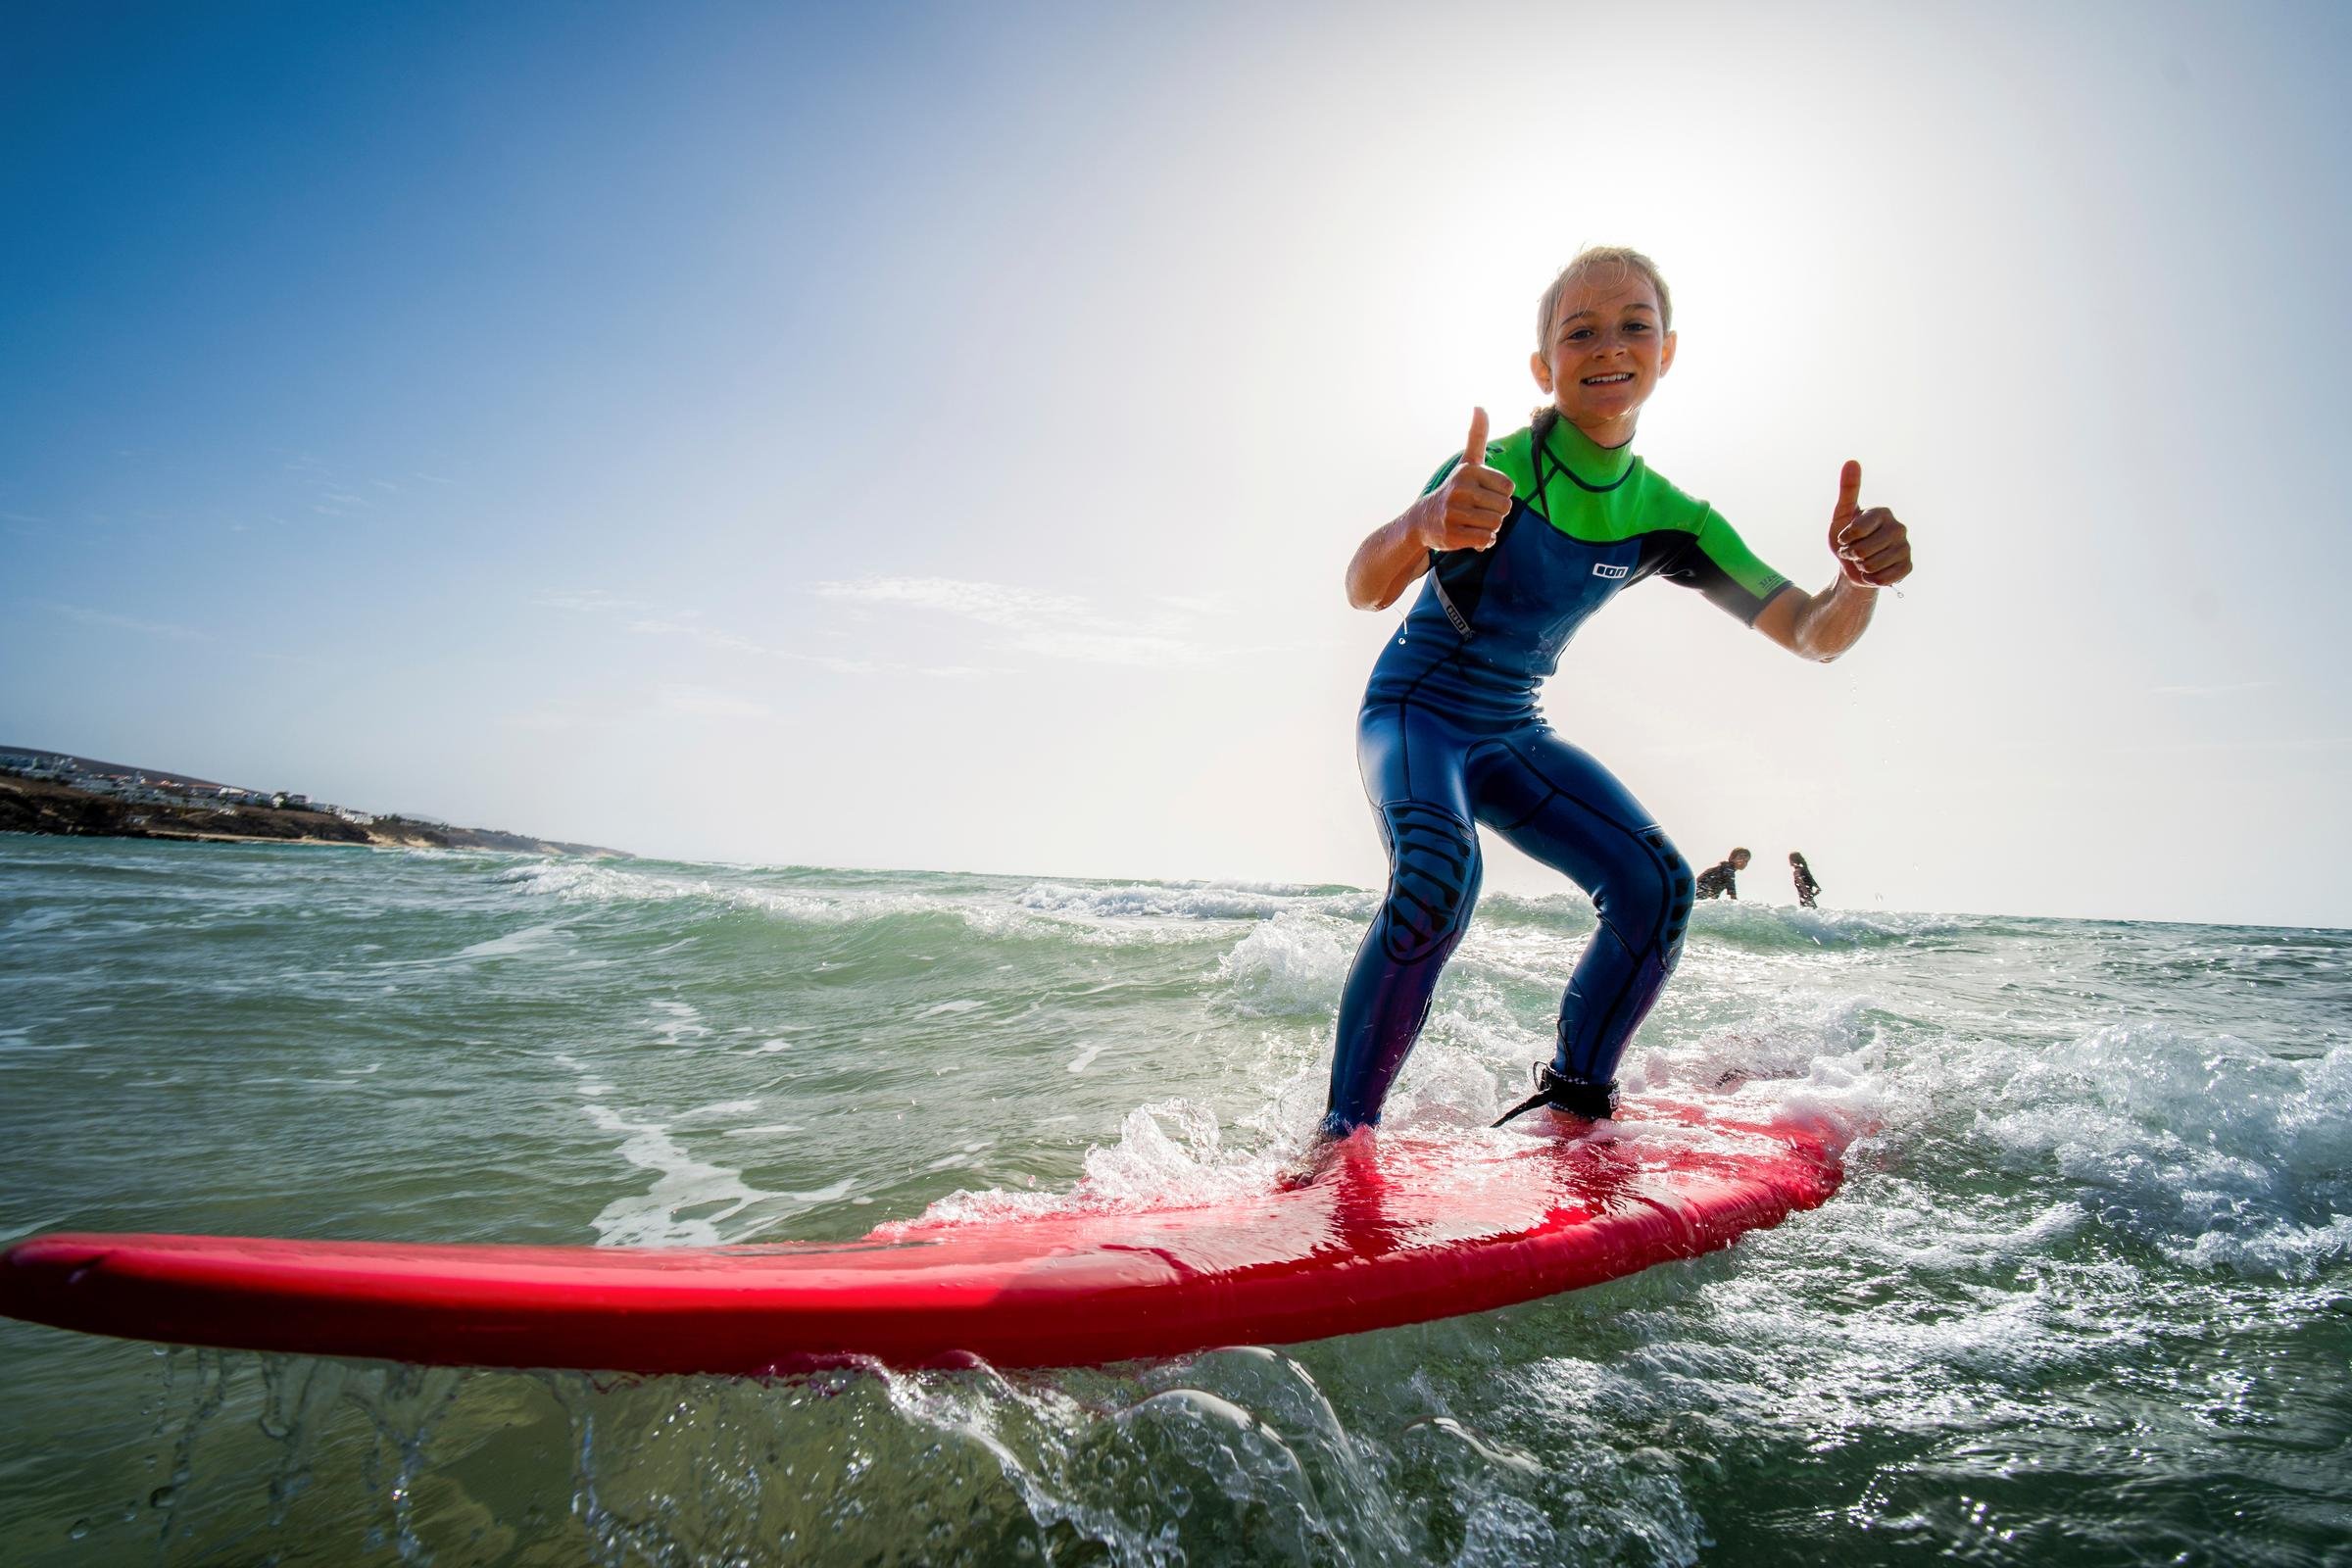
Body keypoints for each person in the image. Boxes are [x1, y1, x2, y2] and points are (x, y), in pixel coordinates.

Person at [1324, 246, 1914, 1137]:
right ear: (1544, 365)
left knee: (1657, 885)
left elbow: (1811, 632)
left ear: (1666, 352)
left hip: (1513, 731)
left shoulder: (1672, 518)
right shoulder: (1497, 470)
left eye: (1634, 326)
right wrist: (1422, 521)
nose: (1610, 346)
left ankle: (1573, 1103)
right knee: (1440, 877)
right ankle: (1341, 1143)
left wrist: (1859, 581)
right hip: (1415, 715)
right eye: (1581, 331)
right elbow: (1366, 588)